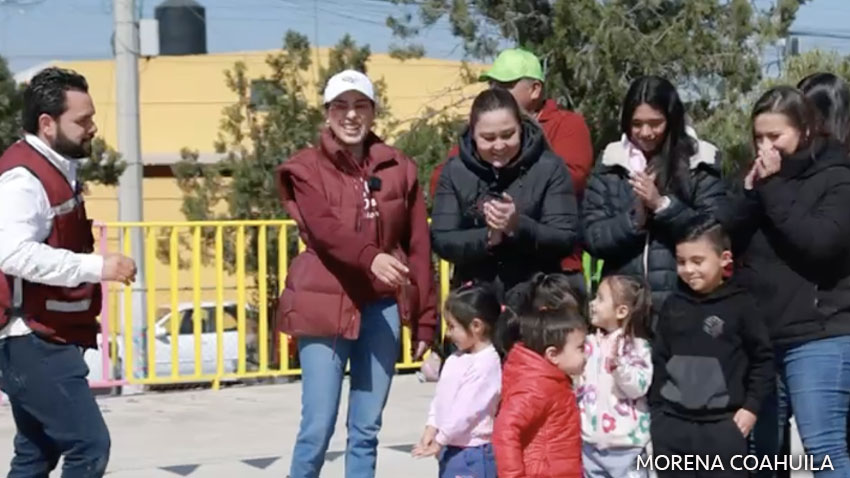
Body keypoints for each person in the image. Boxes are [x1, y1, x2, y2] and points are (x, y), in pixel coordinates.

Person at [275, 69, 438, 478]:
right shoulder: (305, 168)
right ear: (327, 113)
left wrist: (425, 320)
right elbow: (325, 230)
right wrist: (371, 257)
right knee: (317, 427)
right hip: (322, 304)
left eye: (360, 105)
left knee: (366, 430)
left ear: (373, 112)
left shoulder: (401, 167)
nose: (351, 115)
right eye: (340, 106)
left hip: (381, 306)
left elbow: (419, 246)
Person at [0, 67, 137, 477]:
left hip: (45, 335)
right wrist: (98, 266)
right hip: (30, 340)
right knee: (88, 446)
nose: (93, 128)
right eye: (83, 120)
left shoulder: (56, 166)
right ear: (47, 124)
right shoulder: (23, 179)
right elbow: (11, 253)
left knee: (37, 452)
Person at [723, 86, 850, 478]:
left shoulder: (836, 177)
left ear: (806, 130)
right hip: (763, 334)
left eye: (775, 136)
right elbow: (728, 234)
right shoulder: (758, 180)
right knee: (762, 450)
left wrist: (773, 187)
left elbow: (818, 244)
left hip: (819, 333)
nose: (766, 146)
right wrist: (748, 193)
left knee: (822, 444)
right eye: (758, 137)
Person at [430, 48, 593, 297]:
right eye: (487, 138)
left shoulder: (556, 148)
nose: (498, 145)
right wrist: (487, 234)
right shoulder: (458, 166)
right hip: (476, 297)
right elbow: (443, 229)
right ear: (474, 134)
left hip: (538, 292)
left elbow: (572, 191)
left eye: (505, 85)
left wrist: (517, 223)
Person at [582, 75, 725, 331]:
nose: (645, 133)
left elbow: (713, 230)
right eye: (636, 124)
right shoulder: (611, 163)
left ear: (671, 120)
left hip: (682, 304)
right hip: (623, 313)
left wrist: (662, 206)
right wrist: (634, 219)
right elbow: (592, 236)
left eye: (655, 123)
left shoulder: (699, 162)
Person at [650, 222, 773, 478]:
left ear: (724, 259)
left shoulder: (741, 305)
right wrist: (658, 415)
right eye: (681, 261)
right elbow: (660, 358)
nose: (688, 269)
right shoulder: (673, 305)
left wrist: (750, 408)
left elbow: (762, 360)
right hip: (672, 426)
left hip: (722, 429)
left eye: (698, 261)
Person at [412, 282, 502, 478]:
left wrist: (440, 439)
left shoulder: (486, 364)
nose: (448, 333)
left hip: (472, 453)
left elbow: (465, 412)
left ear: (476, 326)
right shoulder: (455, 359)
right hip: (451, 448)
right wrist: (431, 428)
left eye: (452, 326)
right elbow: (441, 398)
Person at [492, 307, 587, 478]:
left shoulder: (553, 380)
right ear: (553, 355)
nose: (586, 354)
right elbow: (505, 430)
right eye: (580, 348)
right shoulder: (537, 387)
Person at [578, 275, 652, 478]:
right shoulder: (588, 343)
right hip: (591, 445)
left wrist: (620, 368)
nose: (592, 304)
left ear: (621, 311)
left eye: (600, 299)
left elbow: (639, 387)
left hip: (627, 446)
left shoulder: (638, 346)